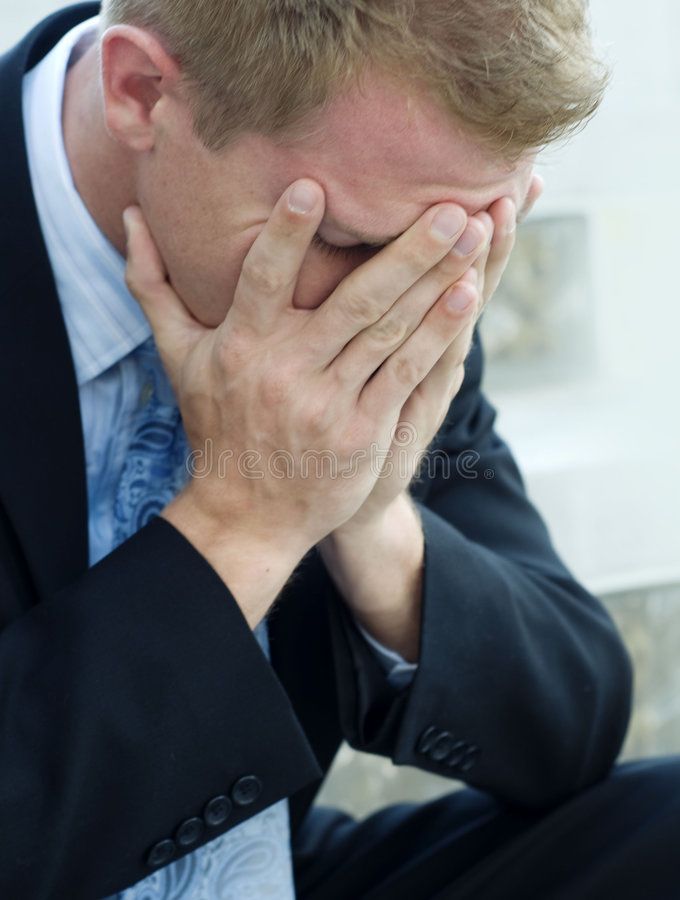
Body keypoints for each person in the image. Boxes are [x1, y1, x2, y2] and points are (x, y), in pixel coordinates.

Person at [0, 1, 677, 898]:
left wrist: (368, 513)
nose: (395, 312)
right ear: (142, 91)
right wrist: (242, 525)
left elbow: (572, 723)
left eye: (460, 243)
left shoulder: (402, 249)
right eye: (347, 242)